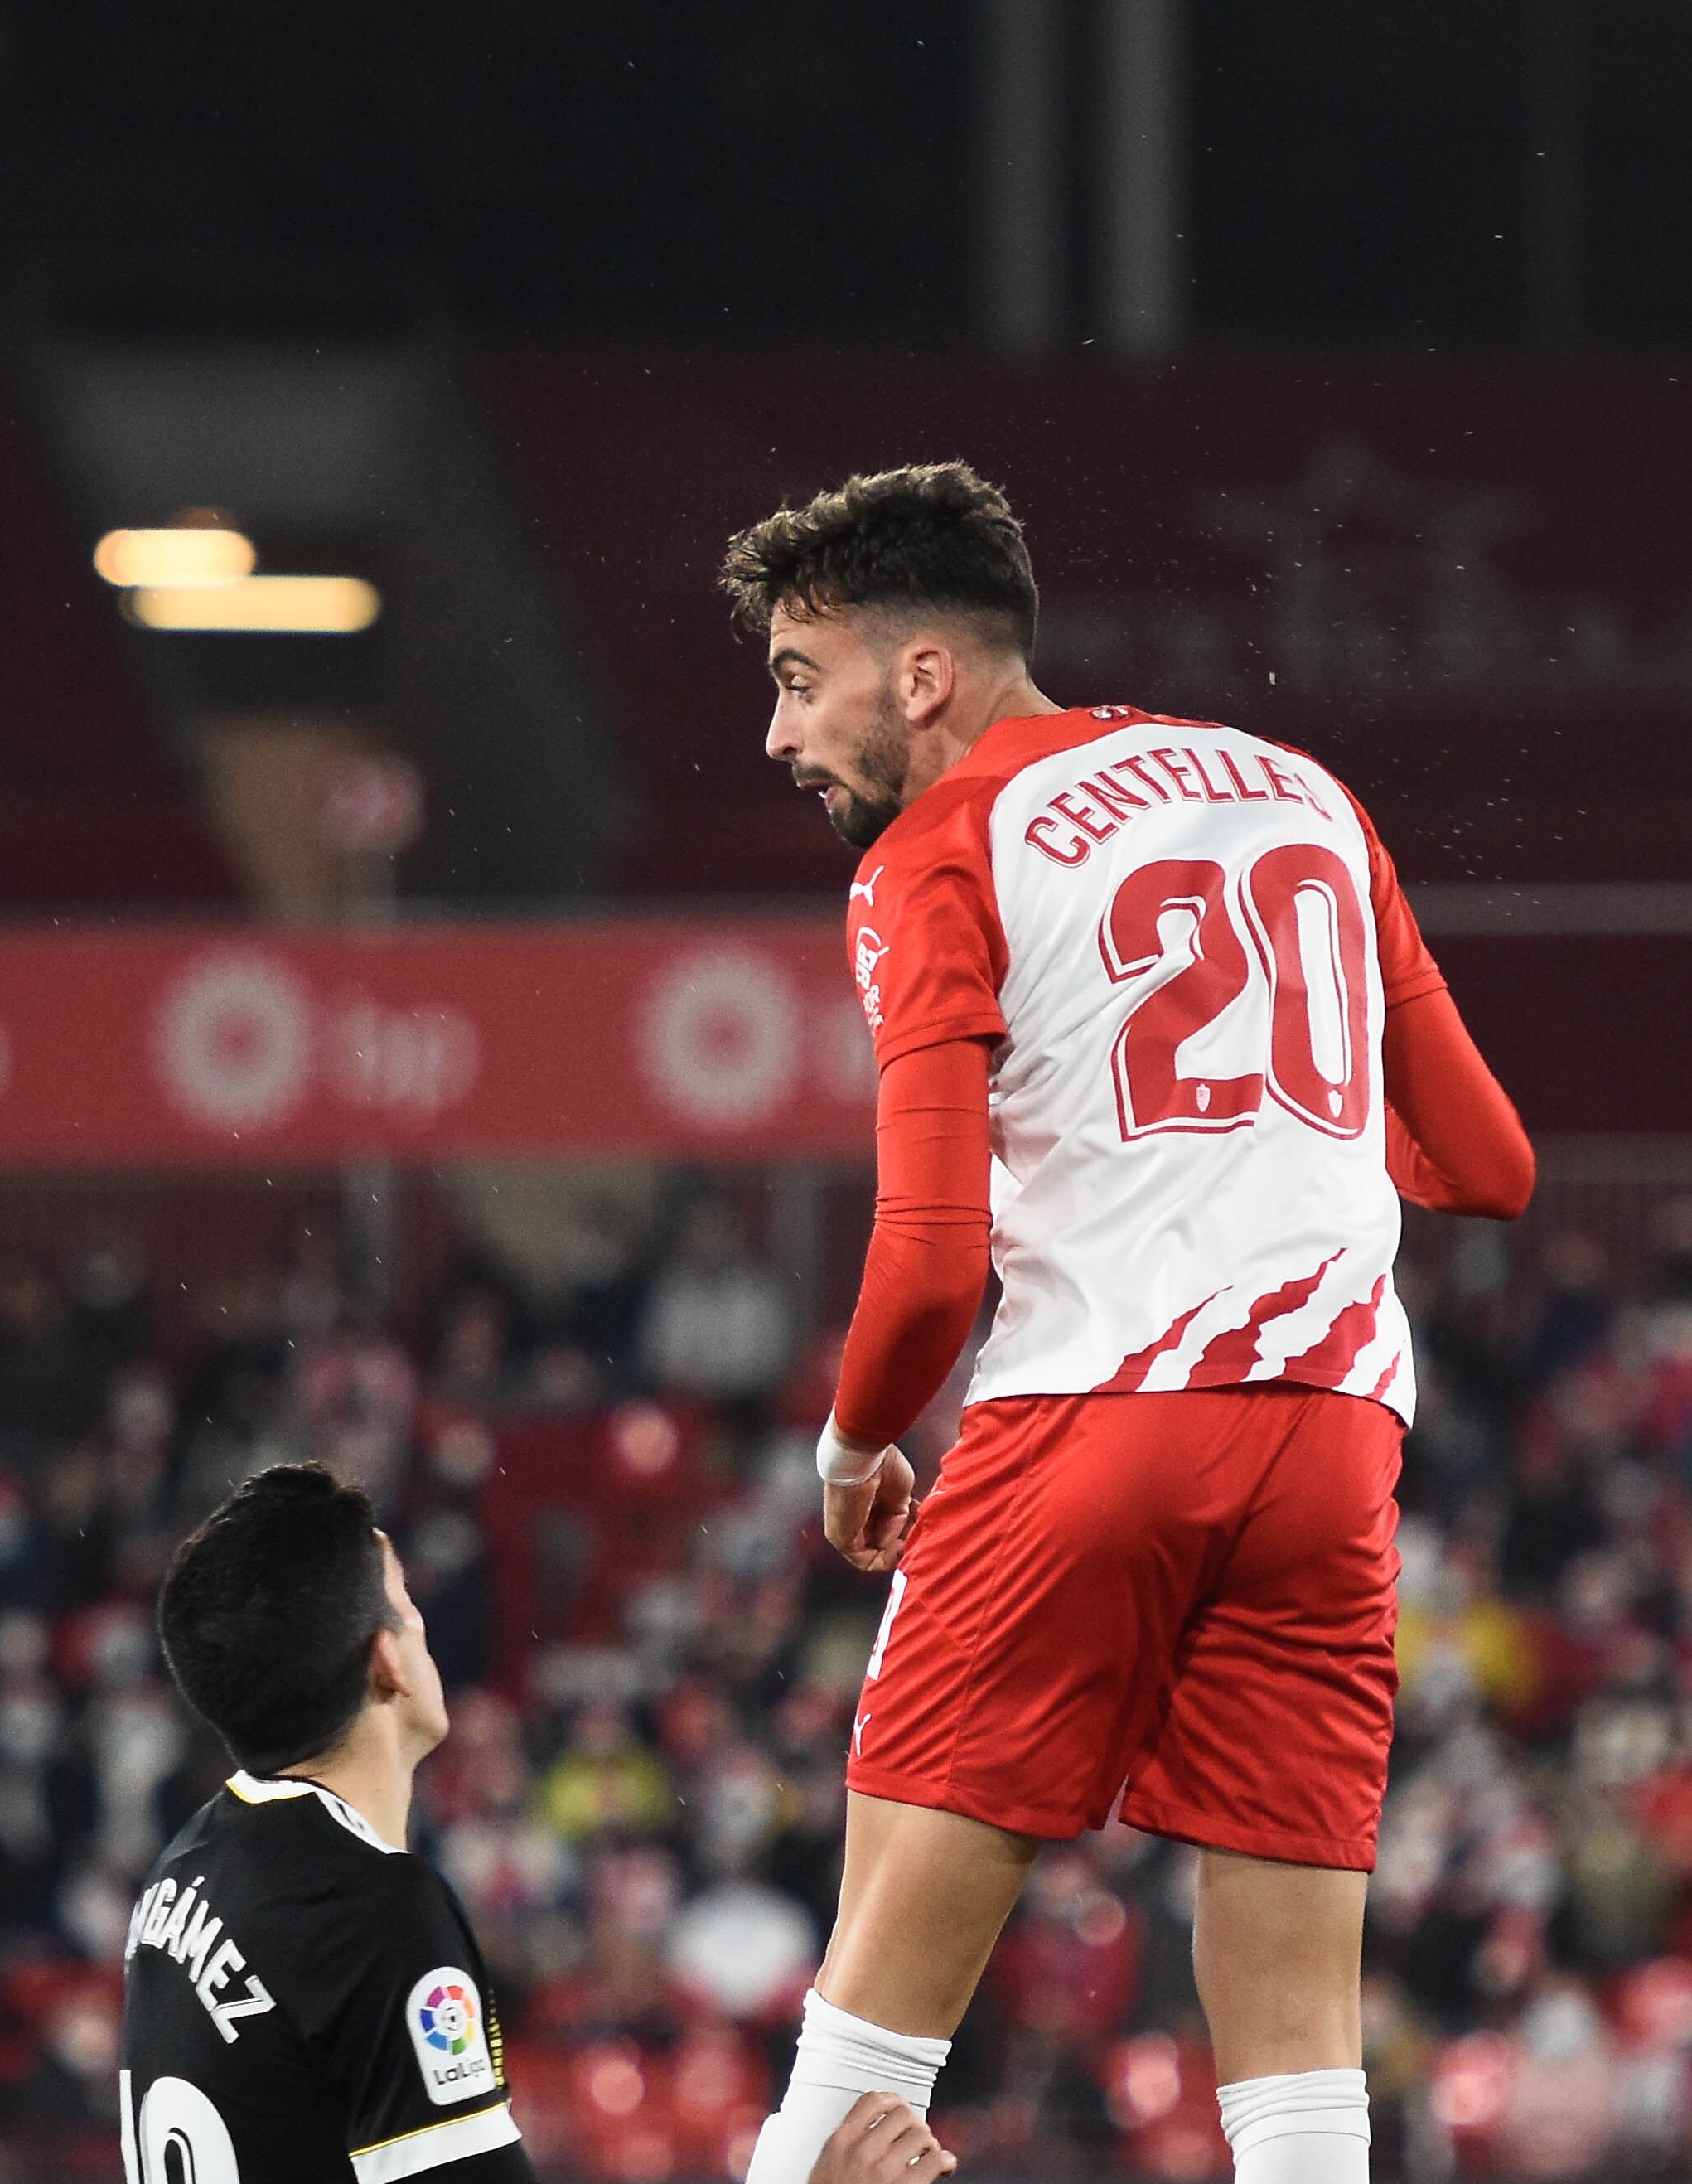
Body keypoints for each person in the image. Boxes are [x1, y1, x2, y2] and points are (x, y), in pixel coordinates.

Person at [718, 462, 1537, 2184]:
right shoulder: (1298, 788)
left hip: (1090, 1418)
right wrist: (1271, 1142)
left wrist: (855, 1435)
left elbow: (931, 1260)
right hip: (1330, 1433)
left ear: (921, 674)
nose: (779, 735)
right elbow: (1489, 1162)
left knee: (862, 2044)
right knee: (1300, 2062)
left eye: (800, 677)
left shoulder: (940, 846)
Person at [128, 1465, 955, 2184]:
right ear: (385, 1660)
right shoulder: (370, 1905)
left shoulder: (179, 1874)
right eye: (408, 1604)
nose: (422, 1626)